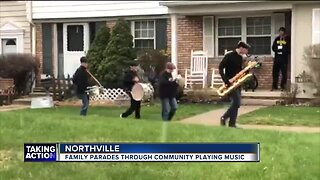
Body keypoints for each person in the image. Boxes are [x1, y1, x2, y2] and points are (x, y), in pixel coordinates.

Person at [218, 41, 250, 128]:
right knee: (236, 102)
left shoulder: (240, 58)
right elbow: (220, 68)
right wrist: (226, 81)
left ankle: (232, 123)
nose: (247, 52)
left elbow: (240, 71)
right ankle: (224, 117)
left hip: (237, 82)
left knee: (237, 104)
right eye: (246, 49)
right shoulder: (229, 55)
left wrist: (246, 68)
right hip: (230, 82)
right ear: (241, 48)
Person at [271, 27, 290, 91]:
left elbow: (288, 48)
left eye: (282, 31)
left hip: (283, 59)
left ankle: (282, 86)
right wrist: (277, 50)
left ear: (284, 32)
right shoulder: (277, 39)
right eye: (280, 31)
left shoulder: (287, 39)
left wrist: (282, 51)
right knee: (275, 72)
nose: (280, 33)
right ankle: (274, 86)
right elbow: (273, 47)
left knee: (284, 73)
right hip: (277, 58)